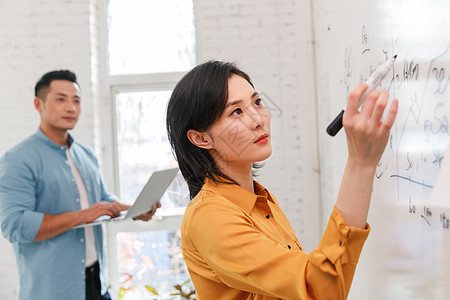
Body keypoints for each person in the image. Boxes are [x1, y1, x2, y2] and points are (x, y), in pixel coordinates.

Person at [166, 61, 398, 299]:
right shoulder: (210, 217)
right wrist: (361, 163)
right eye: (236, 111)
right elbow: (318, 290)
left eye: (257, 102)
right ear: (201, 139)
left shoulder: (260, 200)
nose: (258, 119)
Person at [0, 70, 160, 300]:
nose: (71, 108)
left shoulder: (85, 153)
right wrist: (81, 216)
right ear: (38, 104)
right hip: (52, 290)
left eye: (76, 100)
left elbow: (101, 200)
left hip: (96, 282)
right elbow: (14, 225)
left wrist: (134, 210)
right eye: (61, 99)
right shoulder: (18, 159)